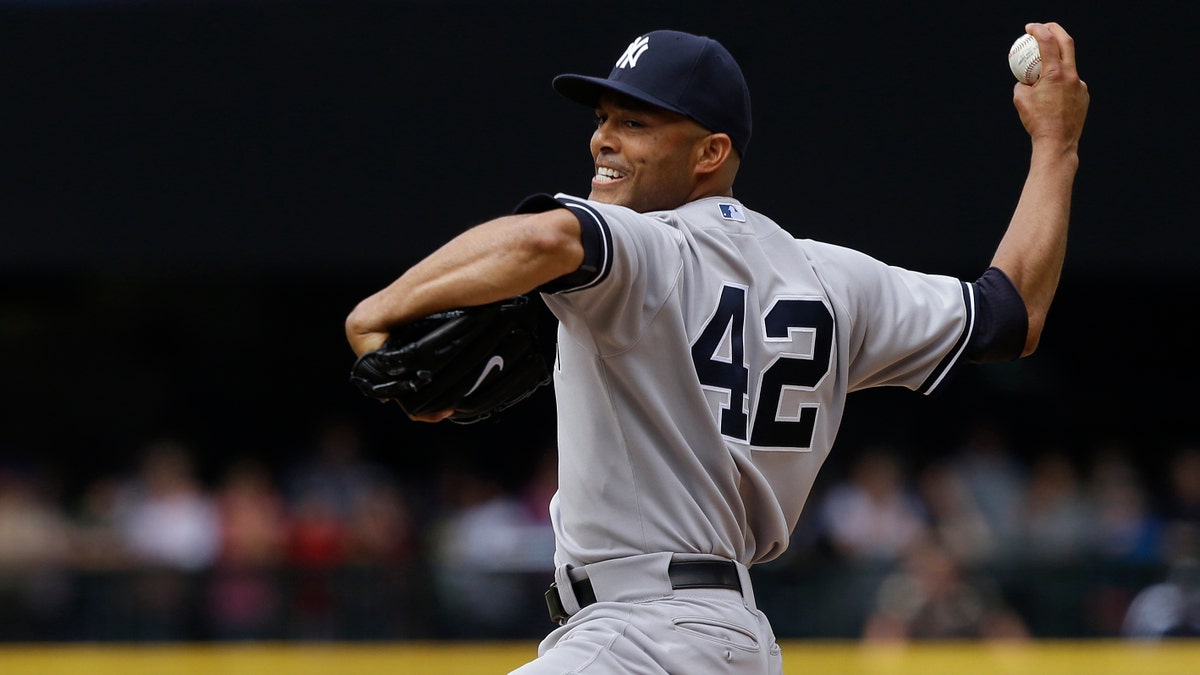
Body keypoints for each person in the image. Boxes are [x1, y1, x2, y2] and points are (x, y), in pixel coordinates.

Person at [346, 24, 1088, 674]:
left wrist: (375, 311)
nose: (603, 139)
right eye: (603, 118)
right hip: (733, 639)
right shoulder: (833, 279)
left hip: (639, 636)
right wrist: (1056, 145)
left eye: (635, 122)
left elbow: (543, 239)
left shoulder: (648, 247)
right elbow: (1009, 313)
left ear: (710, 151)